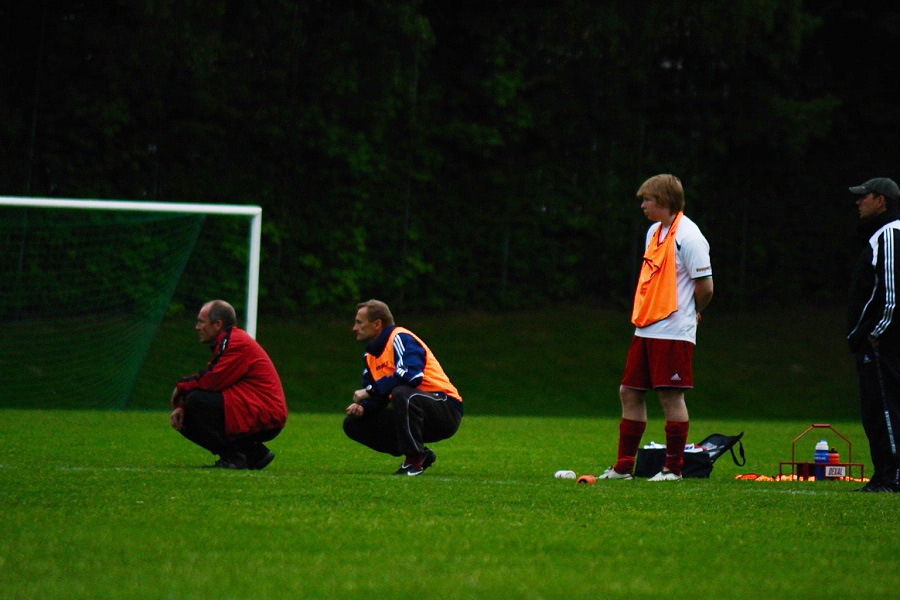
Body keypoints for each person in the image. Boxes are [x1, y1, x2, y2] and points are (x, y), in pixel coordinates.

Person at [598, 174, 714, 482]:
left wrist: (693, 312)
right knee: (630, 392)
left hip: (674, 331)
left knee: (670, 396)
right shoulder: (654, 231)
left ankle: (673, 469)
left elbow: (706, 286)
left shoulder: (689, 236)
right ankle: (624, 467)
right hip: (646, 327)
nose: (643, 205)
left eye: (647, 200)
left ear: (663, 202)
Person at [343, 299, 463, 476]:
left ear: (377, 324)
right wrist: (363, 409)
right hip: (411, 410)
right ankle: (420, 454)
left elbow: (411, 376)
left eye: (359, 322)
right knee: (353, 424)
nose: (354, 328)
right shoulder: (370, 355)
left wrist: (369, 391)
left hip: (445, 408)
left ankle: (413, 462)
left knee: (402, 392)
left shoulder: (400, 338)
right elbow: (379, 397)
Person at [170, 300, 288, 470]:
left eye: (201, 322)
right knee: (187, 415)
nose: (197, 327)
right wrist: (183, 406)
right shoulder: (229, 341)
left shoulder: (234, 342)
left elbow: (213, 380)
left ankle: (234, 458)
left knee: (197, 400)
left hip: (265, 413)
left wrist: (181, 388)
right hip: (257, 410)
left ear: (218, 324)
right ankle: (254, 453)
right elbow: (215, 379)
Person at [847, 177, 900, 493]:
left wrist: (875, 332)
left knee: (885, 407)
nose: (858, 202)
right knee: (874, 408)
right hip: (876, 342)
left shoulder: (890, 235)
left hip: (883, 342)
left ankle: (892, 475)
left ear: (881, 200)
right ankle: (882, 474)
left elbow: (892, 293)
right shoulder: (881, 235)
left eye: (863, 196)